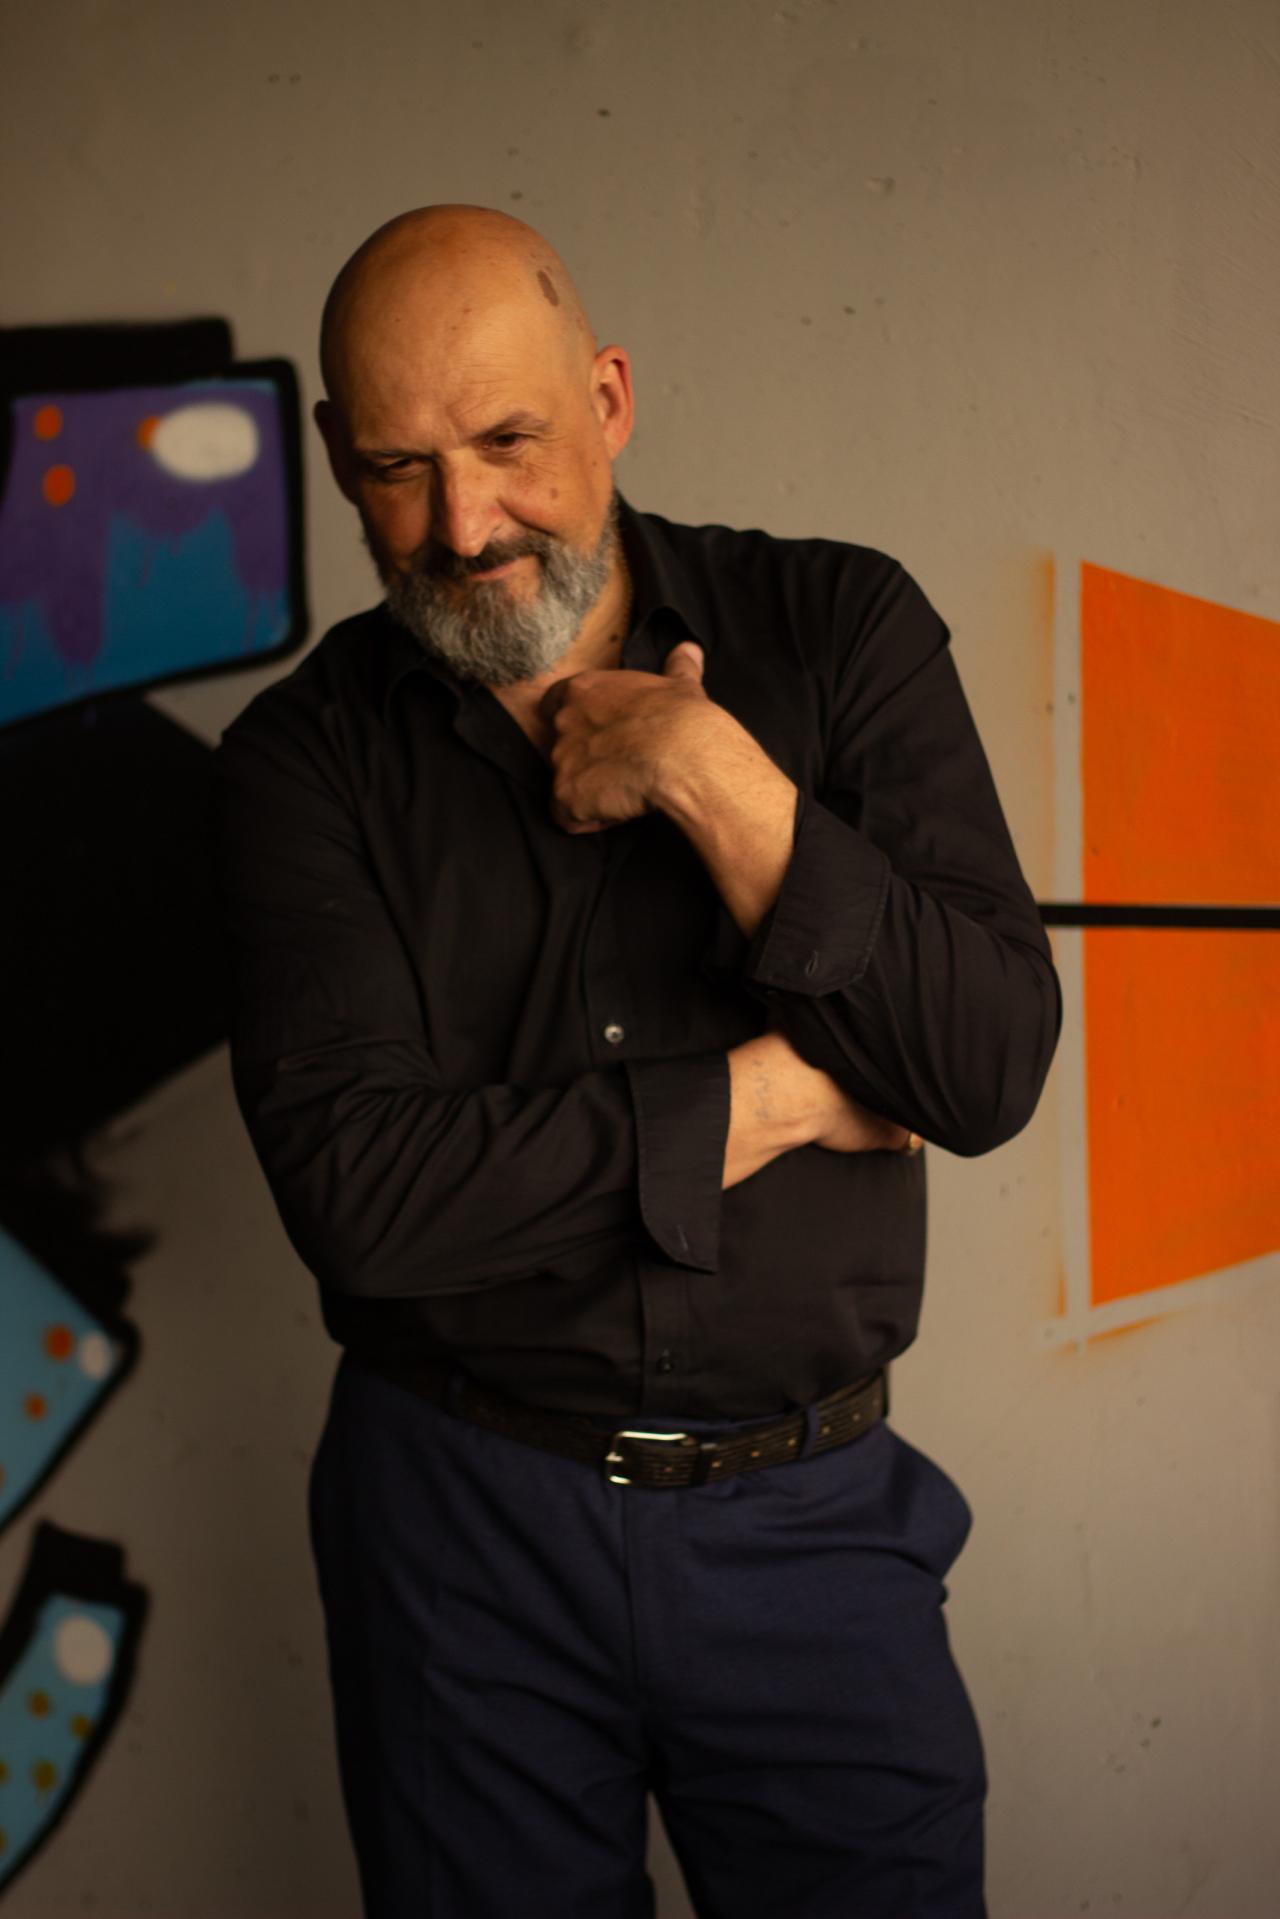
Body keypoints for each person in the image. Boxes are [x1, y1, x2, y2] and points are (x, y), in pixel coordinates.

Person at [214, 204, 1061, 1919]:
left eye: (508, 441)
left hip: (811, 1522)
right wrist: (776, 1098)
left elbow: (981, 1067)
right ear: (333, 452)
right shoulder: (300, 761)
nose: (463, 524)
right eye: (396, 469)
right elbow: (365, 1200)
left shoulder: (840, 629)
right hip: (456, 1533)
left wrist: (714, 782)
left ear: (607, 399)